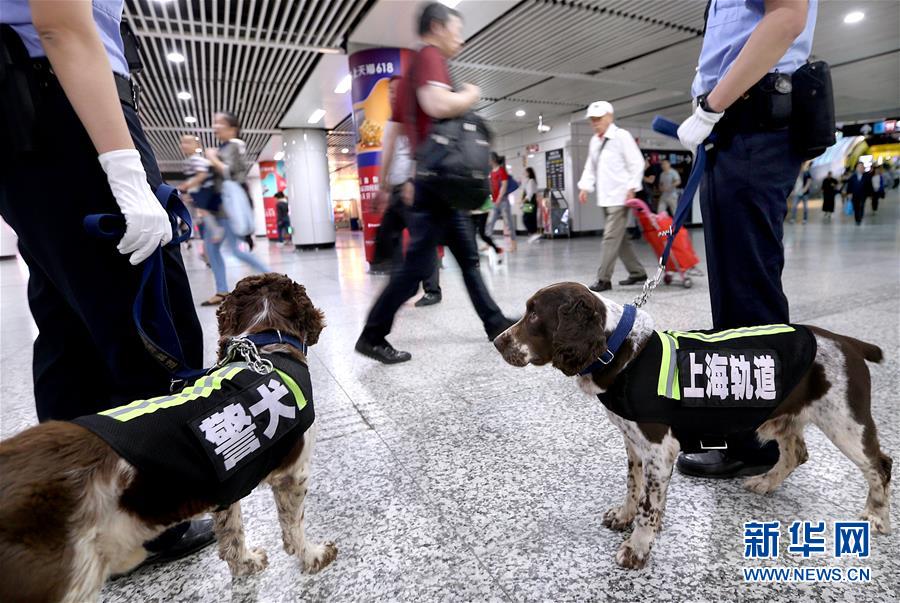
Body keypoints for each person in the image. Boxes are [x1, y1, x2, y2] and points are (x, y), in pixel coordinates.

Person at [0, 0, 213, 561]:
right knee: (146, 324)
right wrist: (122, 167)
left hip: (24, 124)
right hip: (71, 115)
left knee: (68, 331)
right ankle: (149, 522)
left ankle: (70, 516)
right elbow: (62, 25)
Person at [674, 0, 818, 479]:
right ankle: (753, 428)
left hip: (751, 124)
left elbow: (788, 16)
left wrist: (712, 105)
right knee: (737, 291)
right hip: (737, 131)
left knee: (748, 294)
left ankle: (761, 440)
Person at [354, 2, 516, 364]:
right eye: (456, 29)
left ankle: (494, 323)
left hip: (433, 183)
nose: (459, 37)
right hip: (435, 185)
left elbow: (394, 132)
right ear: (439, 27)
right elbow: (438, 104)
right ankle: (371, 335)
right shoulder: (429, 56)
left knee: (468, 258)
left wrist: (383, 184)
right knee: (414, 270)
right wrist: (472, 95)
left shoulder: (415, 65)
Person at [373, 74, 442, 307]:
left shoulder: (415, 117)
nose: (393, 95)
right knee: (390, 238)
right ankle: (399, 286)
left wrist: (413, 181)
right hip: (396, 190)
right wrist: (383, 185)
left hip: (414, 189)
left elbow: (420, 152)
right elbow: (388, 155)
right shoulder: (393, 120)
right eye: (390, 91)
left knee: (423, 240)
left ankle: (432, 290)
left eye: (397, 90)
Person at [200, 111, 271, 306]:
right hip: (220, 208)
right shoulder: (224, 147)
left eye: (220, 123)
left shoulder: (235, 145)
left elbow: (229, 172)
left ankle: (271, 277)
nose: (215, 126)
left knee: (236, 250)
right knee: (213, 248)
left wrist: (212, 157)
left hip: (228, 208)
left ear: (233, 128)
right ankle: (222, 290)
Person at [577, 100, 647, 293]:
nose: (594, 123)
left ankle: (603, 279)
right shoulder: (594, 141)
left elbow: (637, 163)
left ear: (609, 117)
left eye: (598, 119)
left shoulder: (621, 136)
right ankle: (637, 272)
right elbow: (590, 166)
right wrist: (585, 187)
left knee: (609, 237)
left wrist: (633, 186)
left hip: (620, 196)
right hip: (604, 197)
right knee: (619, 237)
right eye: (592, 120)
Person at [487, 152, 518, 252]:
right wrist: (492, 198)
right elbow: (492, 186)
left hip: (503, 201)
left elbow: (504, 186)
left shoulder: (501, 171)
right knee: (490, 222)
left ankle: (513, 244)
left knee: (508, 223)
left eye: (489, 159)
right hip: (495, 202)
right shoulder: (491, 172)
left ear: (493, 160)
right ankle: (488, 243)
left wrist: (499, 198)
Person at [471, 194, 504, 260]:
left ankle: (497, 249)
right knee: (471, 234)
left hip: (483, 210)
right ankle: (474, 255)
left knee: (482, 233)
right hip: (472, 211)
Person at [845, 161, 870, 226]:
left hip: (863, 195)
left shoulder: (866, 176)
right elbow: (849, 186)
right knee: (856, 207)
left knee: (861, 206)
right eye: (859, 167)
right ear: (856, 168)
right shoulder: (853, 177)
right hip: (854, 195)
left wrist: (869, 194)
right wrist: (849, 193)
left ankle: (860, 216)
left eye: (862, 167)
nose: (860, 168)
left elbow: (869, 186)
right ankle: (857, 219)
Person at [522, 167, 541, 243]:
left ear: (529, 173)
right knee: (531, 219)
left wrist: (523, 200)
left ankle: (533, 234)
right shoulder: (531, 181)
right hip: (532, 202)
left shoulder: (531, 181)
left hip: (530, 202)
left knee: (526, 218)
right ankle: (534, 235)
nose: (524, 173)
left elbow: (529, 194)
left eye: (525, 172)